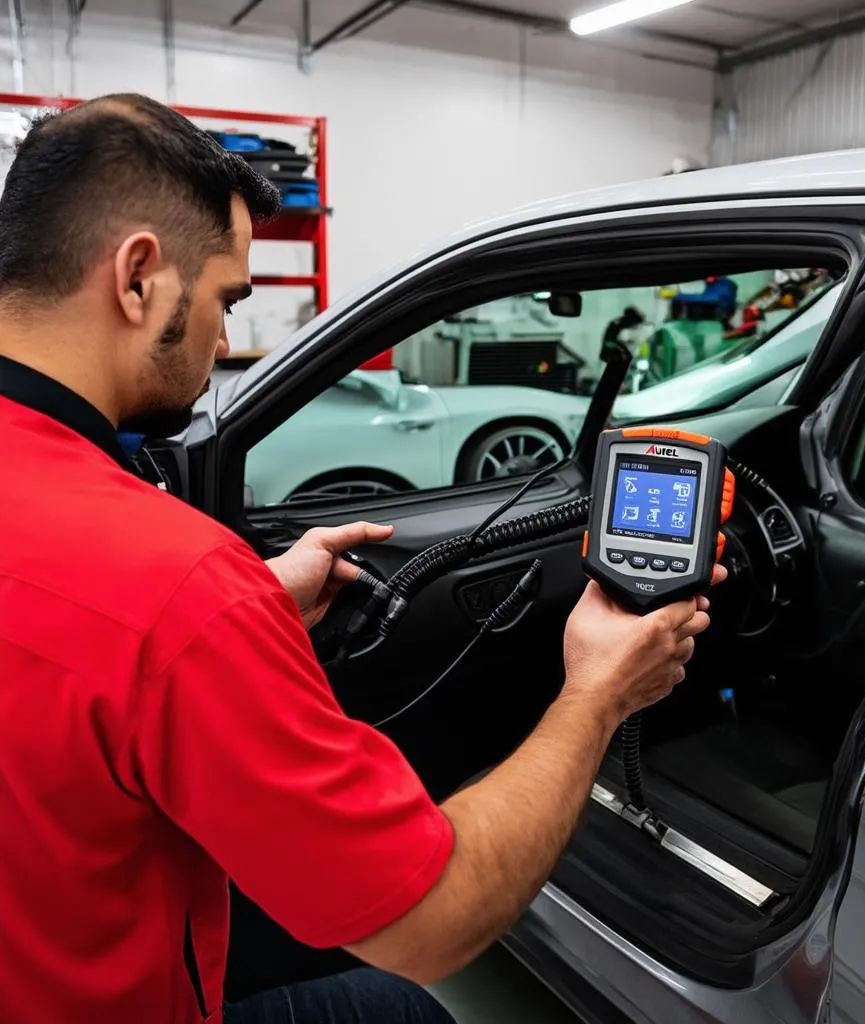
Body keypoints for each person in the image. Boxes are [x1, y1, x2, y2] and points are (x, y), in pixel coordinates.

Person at [0, 94, 723, 1024]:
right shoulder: (172, 587)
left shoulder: (154, 592)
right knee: (403, 1005)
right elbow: (433, 920)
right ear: (139, 276)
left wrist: (242, 605)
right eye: (225, 299)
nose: (224, 343)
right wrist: (600, 693)